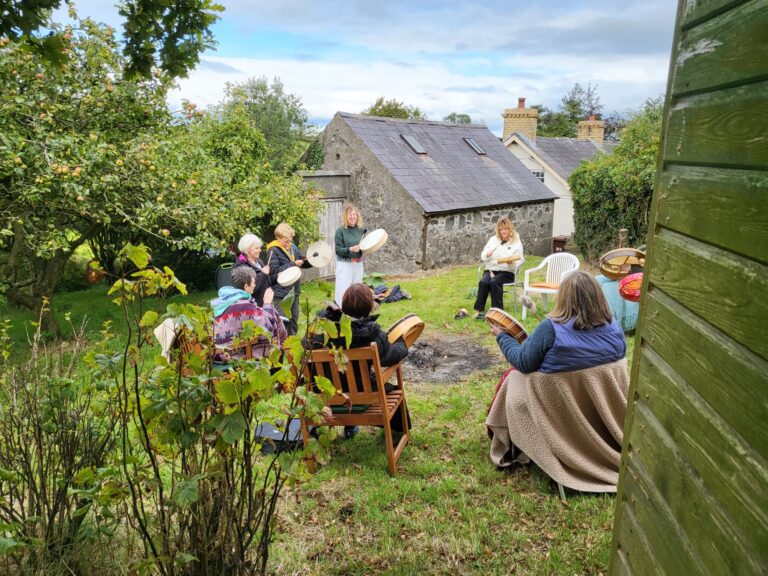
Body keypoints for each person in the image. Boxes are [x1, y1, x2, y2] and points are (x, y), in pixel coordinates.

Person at [485, 270, 629, 493]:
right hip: (598, 413)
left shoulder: (550, 329)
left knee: (511, 377)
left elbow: (523, 362)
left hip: (557, 412)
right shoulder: (615, 327)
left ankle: (506, 439)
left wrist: (502, 337)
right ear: (598, 296)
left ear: (564, 298)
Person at [313, 283, 410, 438]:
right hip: (360, 393)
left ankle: (328, 429)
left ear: (343, 303)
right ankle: (399, 431)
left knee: (341, 377)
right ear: (368, 308)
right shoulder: (371, 336)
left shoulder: (319, 328)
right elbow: (390, 357)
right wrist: (402, 344)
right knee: (390, 387)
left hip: (324, 392)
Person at [211, 266, 287, 361]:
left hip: (222, 354)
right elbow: (265, 329)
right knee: (276, 344)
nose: (255, 285)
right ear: (246, 286)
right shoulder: (244, 306)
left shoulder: (224, 302)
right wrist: (267, 303)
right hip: (239, 355)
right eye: (254, 282)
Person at [266, 223, 313, 335]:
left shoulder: (293, 247)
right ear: (278, 238)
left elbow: (299, 261)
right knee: (282, 320)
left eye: (290, 239)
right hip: (280, 293)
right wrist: (293, 264)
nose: (289, 243)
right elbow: (273, 271)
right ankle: (282, 345)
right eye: (286, 241)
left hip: (294, 290)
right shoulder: (273, 250)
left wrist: (311, 261)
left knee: (294, 319)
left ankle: (293, 343)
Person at [473, 217, 523, 319]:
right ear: (499, 230)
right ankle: (479, 310)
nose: (504, 231)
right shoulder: (493, 240)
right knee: (484, 282)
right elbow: (483, 256)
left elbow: (519, 260)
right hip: (491, 269)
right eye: (501, 229)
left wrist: (511, 263)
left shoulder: (516, 242)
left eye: (506, 229)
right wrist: (487, 254)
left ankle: (497, 312)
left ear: (510, 229)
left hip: (507, 271)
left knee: (494, 282)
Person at [334, 203, 366, 306]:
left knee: (357, 290)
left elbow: (364, 248)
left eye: (354, 214)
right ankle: (340, 313)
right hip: (344, 265)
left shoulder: (360, 230)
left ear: (357, 216)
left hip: (358, 264)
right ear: (345, 216)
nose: (352, 217)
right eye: (350, 215)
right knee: (343, 291)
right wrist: (350, 249)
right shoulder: (340, 231)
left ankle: (355, 314)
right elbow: (338, 250)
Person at [234, 233, 270, 306]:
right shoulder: (241, 266)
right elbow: (249, 288)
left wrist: (278, 277)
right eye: (257, 248)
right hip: (253, 306)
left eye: (259, 248)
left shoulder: (259, 261)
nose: (260, 250)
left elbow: (266, 280)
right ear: (247, 249)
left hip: (265, 302)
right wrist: (263, 274)